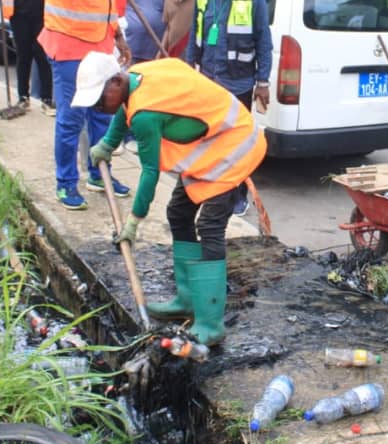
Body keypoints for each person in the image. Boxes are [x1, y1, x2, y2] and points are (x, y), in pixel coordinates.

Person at [77, 52, 266, 346]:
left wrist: (133, 223)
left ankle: (210, 324)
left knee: (210, 225)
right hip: (211, 142)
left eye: (101, 99)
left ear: (116, 80)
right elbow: (123, 111)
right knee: (178, 213)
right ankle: (188, 299)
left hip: (234, 143)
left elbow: (150, 173)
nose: (100, 107)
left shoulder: (145, 114)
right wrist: (108, 144)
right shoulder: (135, 78)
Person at [40, 0, 132, 210]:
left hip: (101, 47)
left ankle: (98, 173)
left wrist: (118, 36)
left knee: (102, 115)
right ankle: (66, 183)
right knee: (71, 119)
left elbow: (103, 2)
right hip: (69, 47)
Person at [185, 0, 273, 216]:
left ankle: (237, 196)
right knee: (209, 140)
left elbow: (263, 41)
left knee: (237, 143)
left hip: (240, 83)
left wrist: (263, 82)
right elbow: (193, 37)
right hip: (210, 82)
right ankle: (213, 190)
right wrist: (189, 73)